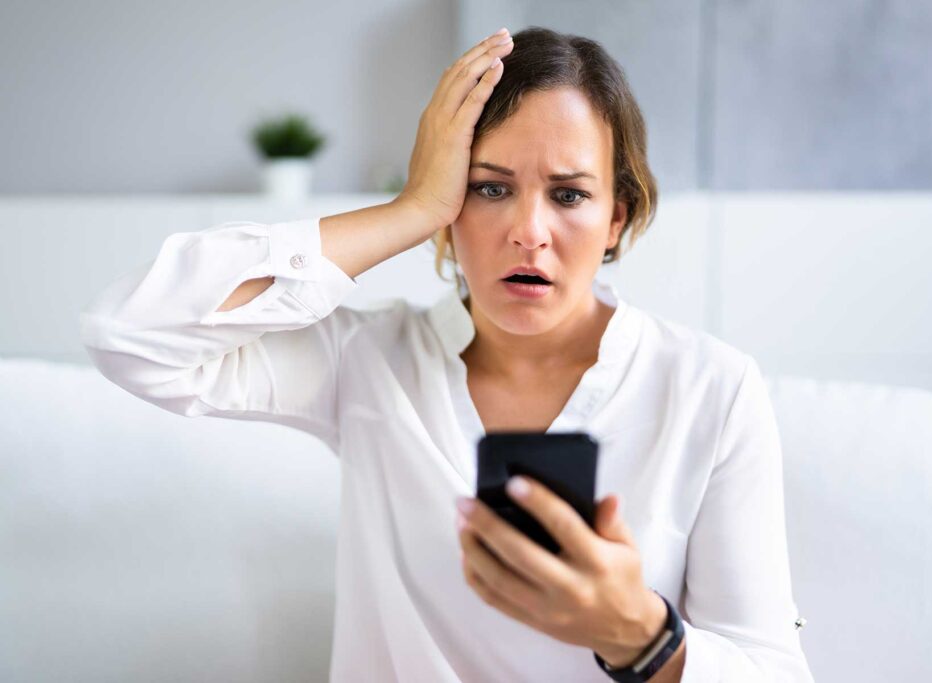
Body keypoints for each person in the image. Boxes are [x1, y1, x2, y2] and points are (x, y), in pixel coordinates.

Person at [80, 25, 813, 683]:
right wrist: (406, 212)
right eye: (489, 188)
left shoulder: (711, 389)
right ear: (450, 205)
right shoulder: (368, 361)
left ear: (616, 215)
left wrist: (641, 637)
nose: (529, 230)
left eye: (568, 194)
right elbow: (130, 332)